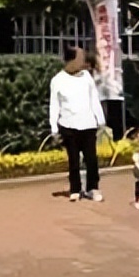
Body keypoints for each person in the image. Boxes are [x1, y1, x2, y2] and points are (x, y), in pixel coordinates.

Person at [49, 46, 106, 202]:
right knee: (73, 160)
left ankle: (92, 188)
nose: (83, 61)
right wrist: (54, 128)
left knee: (91, 159)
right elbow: (54, 106)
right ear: (71, 60)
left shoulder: (87, 77)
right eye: (80, 58)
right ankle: (75, 189)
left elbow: (94, 99)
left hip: (88, 124)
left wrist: (101, 120)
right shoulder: (57, 81)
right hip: (68, 125)